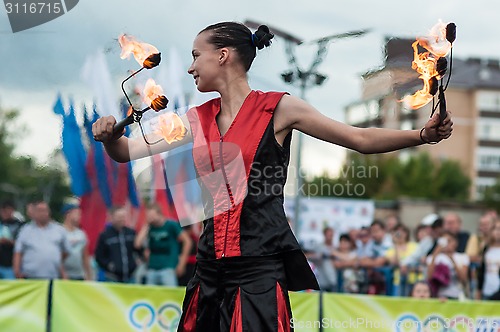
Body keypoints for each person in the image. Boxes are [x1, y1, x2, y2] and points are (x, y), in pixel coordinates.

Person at [92, 21, 453, 331]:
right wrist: (111, 137)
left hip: (258, 273)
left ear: (223, 55)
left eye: (195, 55)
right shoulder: (194, 119)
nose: (190, 67)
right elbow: (125, 152)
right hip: (208, 273)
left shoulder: (280, 108)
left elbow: (358, 138)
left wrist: (422, 135)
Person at [134, 204, 192, 286]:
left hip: (168, 267)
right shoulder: (149, 227)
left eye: (152, 215)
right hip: (152, 267)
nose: (150, 218)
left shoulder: (171, 225)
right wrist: (146, 226)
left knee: (170, 294)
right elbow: (137, 244)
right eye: (148, 216)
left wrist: (182, 262)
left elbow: (187, 241)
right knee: (151, 295)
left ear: (159, 214)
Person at [13, 200, 69, 279]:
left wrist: (55, 259)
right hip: (30, 276)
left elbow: (66, 251)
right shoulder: (25, 230)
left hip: (52, 276)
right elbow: (18, 252)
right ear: (34, 213)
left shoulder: (59, 230)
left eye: (45, 210)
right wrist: (16, 270)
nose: (43, 213)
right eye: (40, 211)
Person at [95, 206, 137, 283]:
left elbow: (138, 249)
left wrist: (135, 264)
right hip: (112, 278)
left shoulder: (131, 233)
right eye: (119, 217)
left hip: (130, 277)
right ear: (112, 218)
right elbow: (99, 256)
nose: (122, 219)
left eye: (123, 217)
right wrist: (109, 266)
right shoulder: (105, 235)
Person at [426, 231, 469, 300]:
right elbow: (429, 276)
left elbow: (463, 278)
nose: (446, 244)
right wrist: (435, 253)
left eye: (449, 241)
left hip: (456, 295)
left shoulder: (462, 257)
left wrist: (452, 259)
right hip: (438, 295)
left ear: (455, 242)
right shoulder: (432, 258)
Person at [61, 203, 92, 281]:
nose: (79, 217)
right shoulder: (60, 232)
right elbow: (57, 257)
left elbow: (85, 256)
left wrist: (88, 275)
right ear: (68, 214)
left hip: (79, 275)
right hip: (64, 276)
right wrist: (63, 274)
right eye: (77, 213)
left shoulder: (81, 234)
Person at [477, 219, 500, 300]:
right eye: (495, 229)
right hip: (487, 290)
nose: (498, 232)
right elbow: (482, 270)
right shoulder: (487, 249)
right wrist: (479, 291)